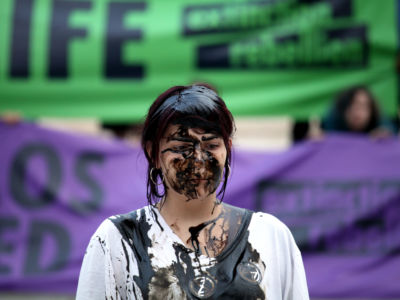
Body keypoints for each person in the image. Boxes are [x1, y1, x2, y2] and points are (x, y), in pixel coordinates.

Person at [76, 84, 309, 299]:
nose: (198, 159)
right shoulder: (118, 239)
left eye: (211, 145)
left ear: (227, 149)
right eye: (181, 147)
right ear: (153, 153)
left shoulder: (270, 236)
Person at [320, 85, 396, 138]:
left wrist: (385, 134)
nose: (357, 113)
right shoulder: (333, 120)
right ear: (343, 110)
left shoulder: (380, 120)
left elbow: (390, 132)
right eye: (352, 106)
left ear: (371, 110)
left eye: (363, 107)